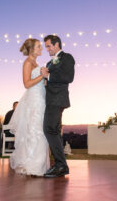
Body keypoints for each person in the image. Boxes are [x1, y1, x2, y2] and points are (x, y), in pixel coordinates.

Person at [8, 39, 50, 176]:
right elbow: (26, 84)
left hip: (41, 97)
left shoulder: (35, 63)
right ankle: (32, 166)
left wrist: (45, 80)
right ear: (32, 49)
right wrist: (41, 76)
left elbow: (38, 82)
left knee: (40, 130)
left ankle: (39, 165)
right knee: (35, 130)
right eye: (39, 47)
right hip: (34, 100)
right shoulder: (27, 63)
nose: (41, 49)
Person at [41, 35, 75, 178]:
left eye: (48, 46)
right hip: (50, 100)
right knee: (53, 130)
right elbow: (47, 81)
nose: (47, 49)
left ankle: (61, 165)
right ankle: (60, 165)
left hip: (57, 99)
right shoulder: (49, 63)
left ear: (56, 45)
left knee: (49, 129)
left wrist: (48, 77)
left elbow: (69, 77)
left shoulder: (67, 57)